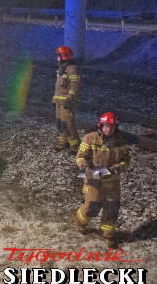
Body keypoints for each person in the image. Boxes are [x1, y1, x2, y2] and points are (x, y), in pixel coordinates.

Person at [75, 112, 130, 248]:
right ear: (101, 125)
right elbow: (80, 157)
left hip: (112, 182)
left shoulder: (120, 141)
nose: (108, 129)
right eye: (106, 126)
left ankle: (107, 235)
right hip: (93, 181)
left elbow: (126, 161)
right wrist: (85, 168)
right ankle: (80, 222)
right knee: (92, 208)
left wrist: (116, 168)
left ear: (116, 127)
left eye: (111, 127)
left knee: (112, 210)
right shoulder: (90, 138)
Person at [53, 45, 81, 152]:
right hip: (59, 101)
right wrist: (55, 99)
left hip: (66, 102)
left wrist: (69, 99)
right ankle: (63, 142)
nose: (57, 58)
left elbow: (74, 86)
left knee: (68, 123)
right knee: (60, 122)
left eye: (58, 56)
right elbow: (59, 88)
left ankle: (75, 145)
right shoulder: (61, 69)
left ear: (64, 56)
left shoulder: (72, 69)